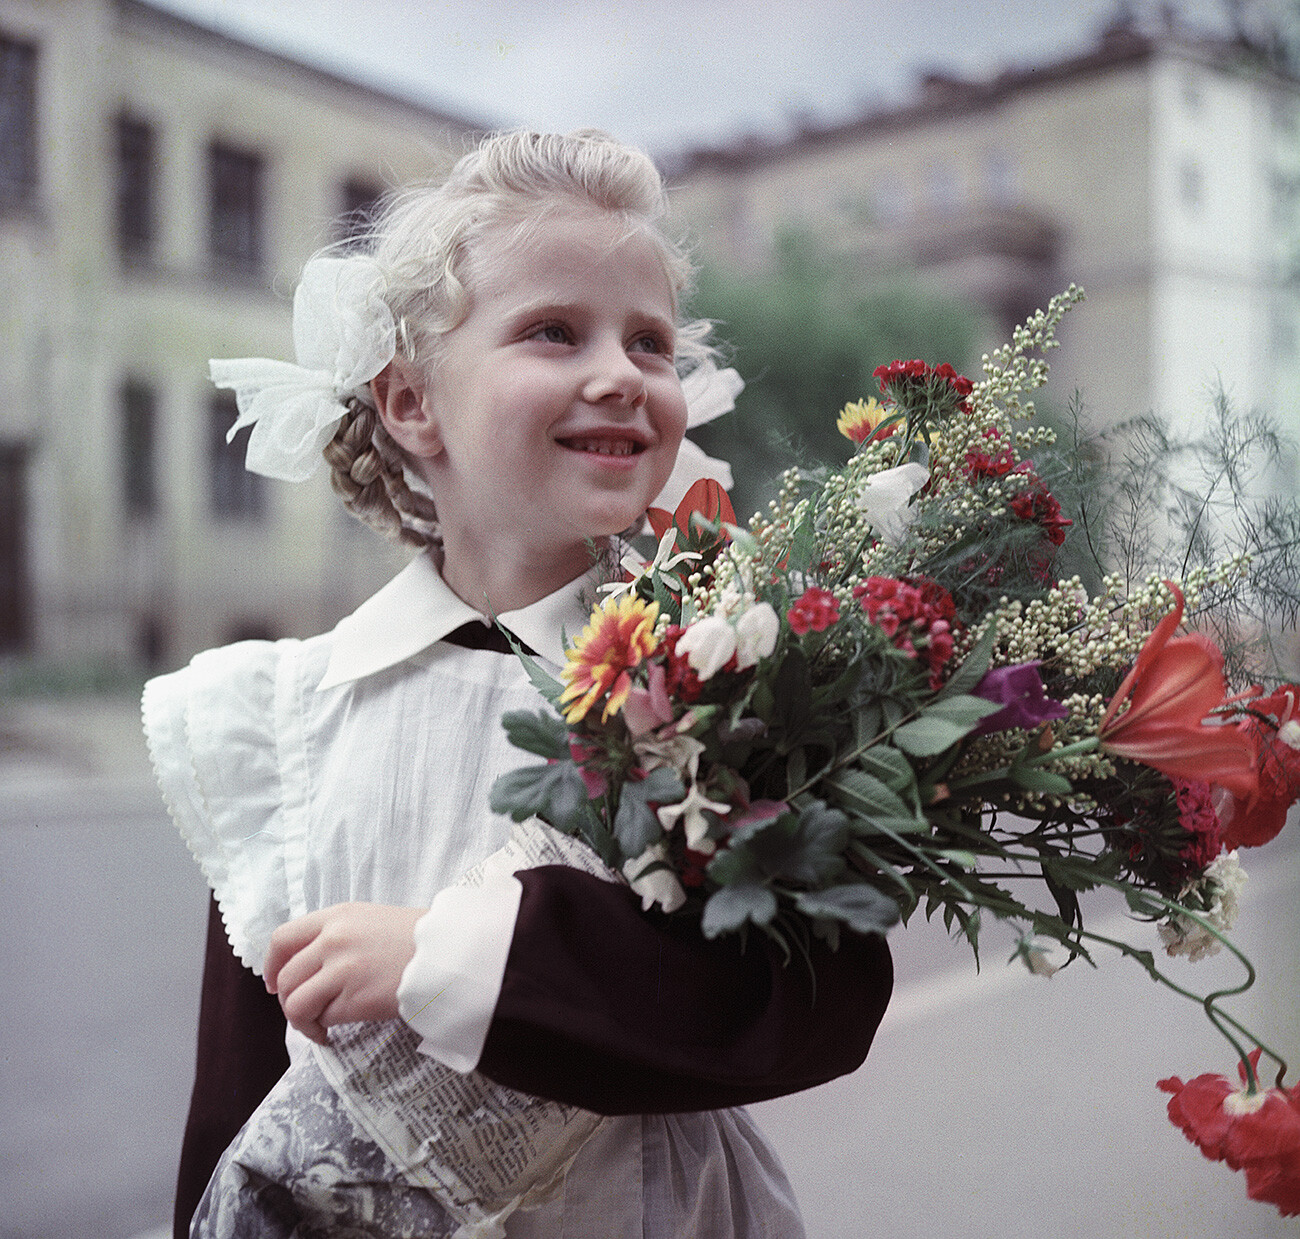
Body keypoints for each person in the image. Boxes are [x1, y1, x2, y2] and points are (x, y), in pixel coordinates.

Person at [146, 129, 893, 1238]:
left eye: (650, 343)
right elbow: (241, 1116)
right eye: (554, 330)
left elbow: (817, 1007)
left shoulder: (728, 666)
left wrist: (453, 962)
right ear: (411, 405)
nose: (619, 375)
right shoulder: (277, 718)